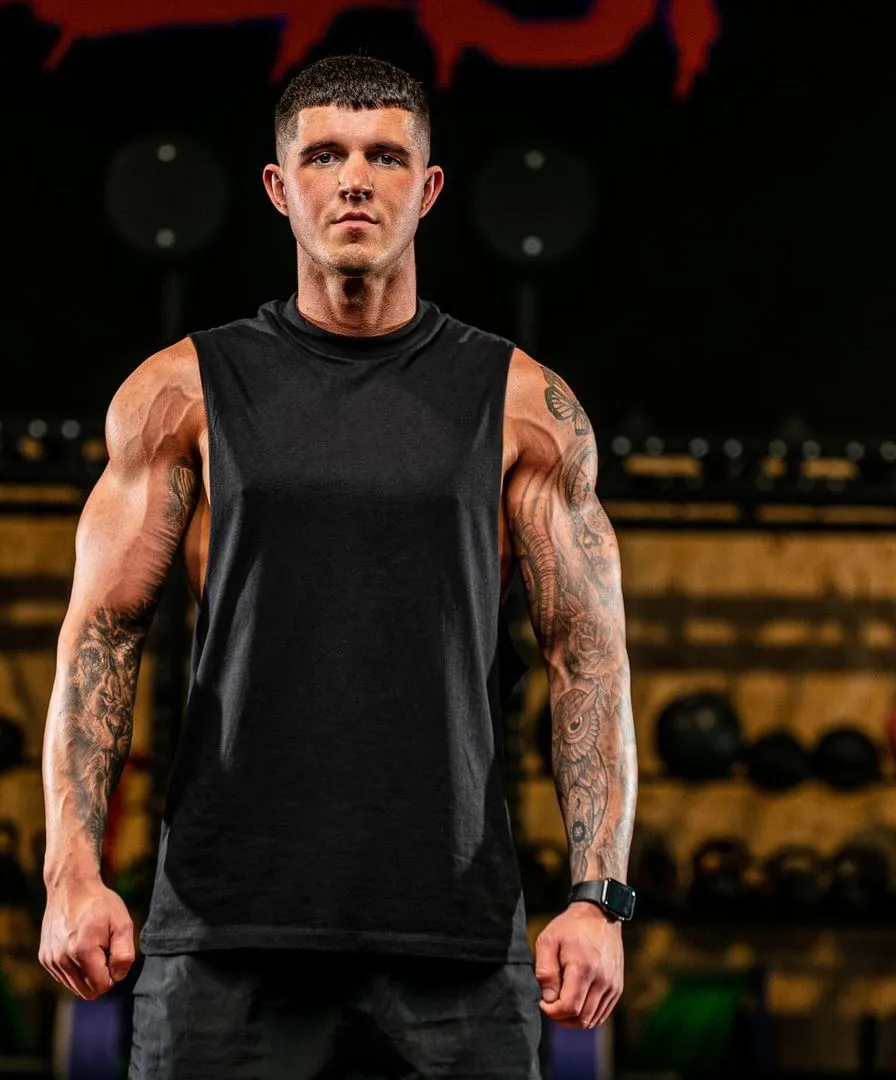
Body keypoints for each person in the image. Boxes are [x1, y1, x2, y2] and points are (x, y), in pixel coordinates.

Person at [38, 53, 638, 1079]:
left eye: (384, 157)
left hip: (452, 932)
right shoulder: (181, 393)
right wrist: (71, 872)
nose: (354, 179)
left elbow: (590, 657)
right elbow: (102, 634)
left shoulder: (525, 404)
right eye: (323, 155)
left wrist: (598, 896)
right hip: (228, 932)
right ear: (281, 187)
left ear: (428, 188)